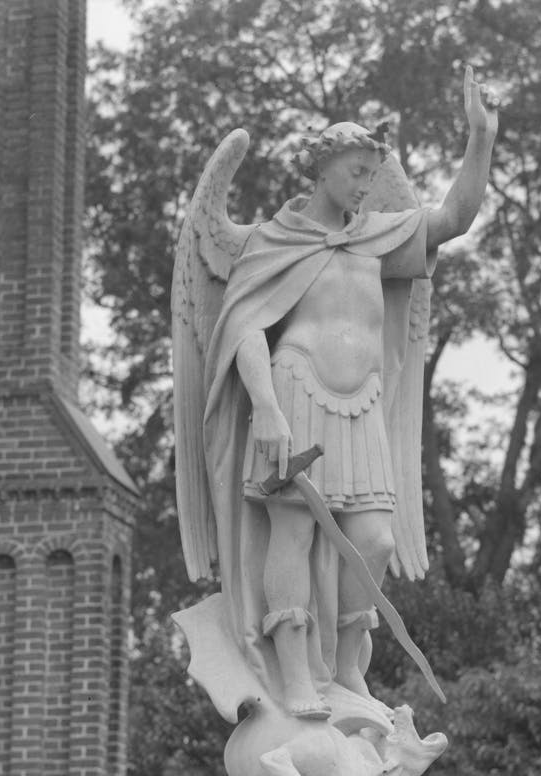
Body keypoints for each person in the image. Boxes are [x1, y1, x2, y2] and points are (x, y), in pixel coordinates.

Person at [192, 66, 497, 721]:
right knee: (294, 533)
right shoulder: (274, 240)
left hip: (360, 405)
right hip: (294, 393)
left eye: (369, 173)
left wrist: (480, 138)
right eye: (357, 171)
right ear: (323, 169)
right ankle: (297, 673)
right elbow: (244, 325)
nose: (367, 185)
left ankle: (351, 660)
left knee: (376, 541)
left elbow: (455, 217)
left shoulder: (376, 236)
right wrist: (267, 410)